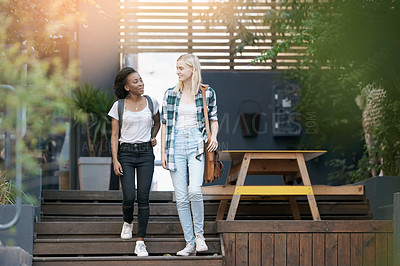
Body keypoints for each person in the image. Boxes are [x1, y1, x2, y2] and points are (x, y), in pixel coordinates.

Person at [160, 54, 219, 256]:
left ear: (192, 69)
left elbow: (214, 119)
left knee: (194, 190)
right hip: (175, 145)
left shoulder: (207, 93)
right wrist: (163, 153)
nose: (177, 71)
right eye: (176, 68)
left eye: (181, 68)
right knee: (181, 197)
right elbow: (165, 125)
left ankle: (200, 236)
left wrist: (215, 138)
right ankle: (189, 243)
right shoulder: (170, 94)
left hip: (196, 143)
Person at [108, 67, 160, 256]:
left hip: (146, 153)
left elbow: (157, 123)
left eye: (141, 80)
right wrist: (115, 160)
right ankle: (128, 222)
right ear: (127, 86)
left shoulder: (152, 102)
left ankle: (140, 241)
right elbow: (114, 136)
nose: (141, 83)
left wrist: (153, 136)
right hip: (126, 154)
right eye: (135, 81)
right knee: (129, 196)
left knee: (144, 197)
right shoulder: (119, 106)